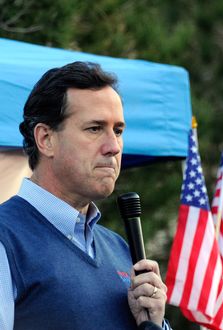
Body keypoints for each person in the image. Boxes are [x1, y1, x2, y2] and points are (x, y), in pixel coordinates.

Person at [0, 62, 171, 330]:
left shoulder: (120, 249)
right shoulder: (6, 240)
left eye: (118, 131)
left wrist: (154, 324)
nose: (113, 147)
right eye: (94, 128)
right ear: (46, 139)